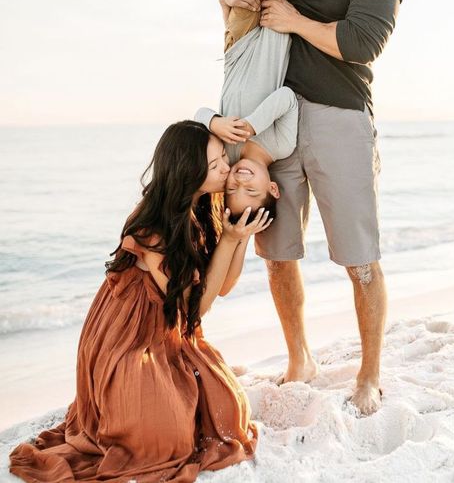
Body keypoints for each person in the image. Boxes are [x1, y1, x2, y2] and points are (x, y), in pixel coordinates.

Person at [218, 0, 403, 415]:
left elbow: (361, 43)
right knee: (276, 252)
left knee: (360, 258)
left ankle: (369, 374)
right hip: (276, 124)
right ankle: (300, 358)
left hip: (338, 117)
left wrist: (294, 21)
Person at [10, 120, 272, 483]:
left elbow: (223, 286)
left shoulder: (202, 207)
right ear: (188, 173)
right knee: (163, 436)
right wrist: (229, 241)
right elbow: (194, 309)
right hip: (126, 339)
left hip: (166, 329)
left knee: (227, 406)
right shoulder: (154, 226)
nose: (227, 169)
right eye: (215, 167)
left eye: (221, 161)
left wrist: (238, 235)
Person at [196, 0, 298, 222]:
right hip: (273, 39)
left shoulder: (228, 152)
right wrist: (253, 125)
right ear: (273, 188)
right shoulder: (282, 147)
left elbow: (198, 116)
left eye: (232, 189)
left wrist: (215, 123)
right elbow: (287, 98)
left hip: (236, 50)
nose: (240, 181)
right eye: (251, 190)